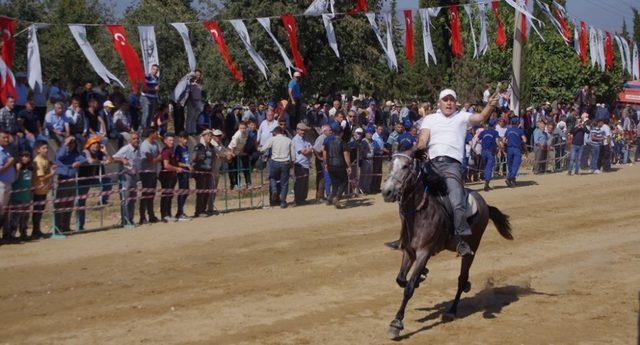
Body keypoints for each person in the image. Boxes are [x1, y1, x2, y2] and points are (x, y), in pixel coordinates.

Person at [416, 88, 498, 257]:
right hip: (430, 164)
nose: (448, 102)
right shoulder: (430, 119)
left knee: (456, 200)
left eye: (451, 100)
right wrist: (420, 147)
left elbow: (481, 117)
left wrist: (489, 106)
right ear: (439, 103)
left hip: (452, 166)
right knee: (409, 194)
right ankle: (406, 235)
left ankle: (460, 240)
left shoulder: (461, 117)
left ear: (455, 103)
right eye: (445, 100)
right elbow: (423, 138)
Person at [77, 136, 111, 230]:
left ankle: (102, 201)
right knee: (81, 202)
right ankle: (80, 224)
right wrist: (101, 162)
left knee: (107, 181)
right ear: (89, 144)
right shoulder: (85, 152)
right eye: (94, 143)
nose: (96, 145)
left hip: (92, 178)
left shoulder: (99, 153)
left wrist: (105, 152)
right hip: (82, 179)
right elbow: (91, 161)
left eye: (98, 143)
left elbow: (108, 160)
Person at [54, 137, 86, 233]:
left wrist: (79, 162)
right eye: (69, 143)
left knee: (69, 205)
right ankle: (58, 227)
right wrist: (65, 144)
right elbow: (59, 157)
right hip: (63, 180)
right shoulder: (61, 151)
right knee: (60, 205)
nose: (71, 144)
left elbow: (85, 159)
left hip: (72, 180)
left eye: (73, 143)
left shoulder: (75, 154)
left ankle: (66, 226)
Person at [259, 126, 295, 208]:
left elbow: (263, 148)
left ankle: (274, 189)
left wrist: (258, 148)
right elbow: (293, 154)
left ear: (275, 132)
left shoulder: (272, 139)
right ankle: (283, 202)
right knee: (284, 183)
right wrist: (292, 163)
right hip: (285, 163)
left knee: (272, 177)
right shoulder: (289, 140)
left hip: (275, 162)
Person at [111, 132, 142, 227]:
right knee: (126, 199)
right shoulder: (126, 149)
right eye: (134, 139)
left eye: (137, 138)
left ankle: (130, 220)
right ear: (130, 140)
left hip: (134, 176)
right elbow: (112, 158)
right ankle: (125, 221)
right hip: (125, 177)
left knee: (133, 199)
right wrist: (121, 160)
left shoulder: (138, 149)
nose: (136, 140)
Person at [30, 141, 56, 239]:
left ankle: (37, 230)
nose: (46, 150)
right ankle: (35, 231)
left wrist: (51, 164)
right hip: (38, 190)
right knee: (37, 211)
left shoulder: (45, 159)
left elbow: (49, 164)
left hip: (44, 189)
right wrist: (52, 174)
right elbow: (41, 178)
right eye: (44, 148)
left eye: (47, 148)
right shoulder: (38, 160)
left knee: (40, 211)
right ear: (38, 150)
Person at [323, 124, 351, 209]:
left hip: (330, 164)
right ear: (341, 133)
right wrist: (349, 166)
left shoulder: (328, 142)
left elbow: (324, 152)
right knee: (344, 181)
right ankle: (337, 197)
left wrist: (325, 163)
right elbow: (346, 156)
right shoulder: (342, 143)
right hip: (340, 165)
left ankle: (329, 199)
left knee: (334, 184)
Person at [139, 127, 162, 225]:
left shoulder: (155, 144)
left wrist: (158, 158)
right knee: (145, 195)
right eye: (155, 132)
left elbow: (157, 157)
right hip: (146, 173)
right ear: (151, 134)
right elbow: (151, 160)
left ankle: (151, 215)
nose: (157, 134)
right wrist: (160, 157)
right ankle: (142, 217)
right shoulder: (145, 145)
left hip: (153, 172)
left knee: (151, 195)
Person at [158, 133, 183, 222]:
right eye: (170, 140)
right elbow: (166, 165)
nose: (172, 142)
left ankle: (168, 214)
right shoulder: (166, 151)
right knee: (166, 196)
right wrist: (177, 169)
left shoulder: (171, 151)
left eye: (173, 140)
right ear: (165, 141)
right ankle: (164, 215)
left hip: (172, 176)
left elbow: (174, 163)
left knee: (170, 195)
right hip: (166, 176)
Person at [192, 130, 216, 218]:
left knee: (206, 192)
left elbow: (213, 158)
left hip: (208, 171)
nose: (210, 137)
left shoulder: (211, 147)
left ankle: (203, 209)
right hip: (200, 172)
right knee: (200, 192)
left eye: (211, 136)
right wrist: (198, 157)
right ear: (204, 136)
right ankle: (198, 211)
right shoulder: (199, 146)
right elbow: (193, 157)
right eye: (208, 135)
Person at [0, 130, 16, 241]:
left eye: (7, 137)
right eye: (4, 137)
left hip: (7, 184)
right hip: (1, 184)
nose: (6, 139)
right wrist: (9, 163)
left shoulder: (6, 151)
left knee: (2, 212)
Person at [292, 123, 313, 206]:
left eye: (304, 130)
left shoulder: (306, 138)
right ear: (297, 130)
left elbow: (312, 148)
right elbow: (304, 151)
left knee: (305, 183)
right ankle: (297, 199)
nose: (303, 132)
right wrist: (309, 150)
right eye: (302, 130)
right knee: (299, 182)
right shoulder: (296, 139)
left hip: (306, 163)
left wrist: (309, 150)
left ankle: (302, 199)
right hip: (299, 164)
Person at [174, 132, 192, 221]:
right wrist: (186, 166)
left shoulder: (186, 147)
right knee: (182, 191)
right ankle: (180, 212)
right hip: (181, 172)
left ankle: (180, 211)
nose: (185, 140)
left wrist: (190, 166)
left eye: (186, 138)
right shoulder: (178, 148)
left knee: (186, 191)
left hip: (186, 172)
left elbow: (187, 159)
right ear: (180, 138)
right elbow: (177, 162)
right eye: (184, 138)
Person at [504, 117, 527, 186]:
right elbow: (525, 140)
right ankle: (510, 178)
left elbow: (504, 140)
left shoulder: (508, 130)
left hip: (509, 149)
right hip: (517, 149)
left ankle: (512, 180)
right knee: (516, 165)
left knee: (510, 165)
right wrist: (521, 143)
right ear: (517, 123)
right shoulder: (520, 131)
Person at [478, 119, 500, 191]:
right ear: (494, 125)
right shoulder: (495, 132)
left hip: (483, 151)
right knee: (489, 167)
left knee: (484, 167)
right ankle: (486, 184)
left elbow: (478, 140)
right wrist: (500, 148)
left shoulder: (483, 132)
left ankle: (484, 179)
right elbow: (497, 141)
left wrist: (484, 144)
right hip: (490, 152)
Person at [313, 125, 331, 202]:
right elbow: (315, 148)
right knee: (321, 178)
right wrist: (319, 157)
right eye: (329, 130)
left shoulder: (327, 138)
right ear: (324, 131)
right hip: (320, 161)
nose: (331, 132)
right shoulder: (321, 138)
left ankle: (322, 196)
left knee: (325, 178)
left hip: (324, 160)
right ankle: (319, 197)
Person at [140, 64, 160, 129]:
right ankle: (143, 129)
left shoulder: (157, 78)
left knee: (151, 114)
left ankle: (147, 129)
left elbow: (156, 88)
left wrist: (156, 89)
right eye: (154, 69)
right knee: (146, 113)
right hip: (145, 97)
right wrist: (154, 89)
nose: (155, 71)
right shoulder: (146, 76)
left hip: (153, 97)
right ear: (151, 69)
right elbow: (144, 88)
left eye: (157, 70)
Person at [185, 69, 203, 135]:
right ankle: (188, 131)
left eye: (199, 75)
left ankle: (193, 130)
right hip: (192, 101)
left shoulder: (200, 83)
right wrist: (192, 101)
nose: (198, 76)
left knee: (195, 117)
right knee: (190, 116)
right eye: (197, 74)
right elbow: (190, 93)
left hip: (198, 101)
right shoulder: (190, 82)